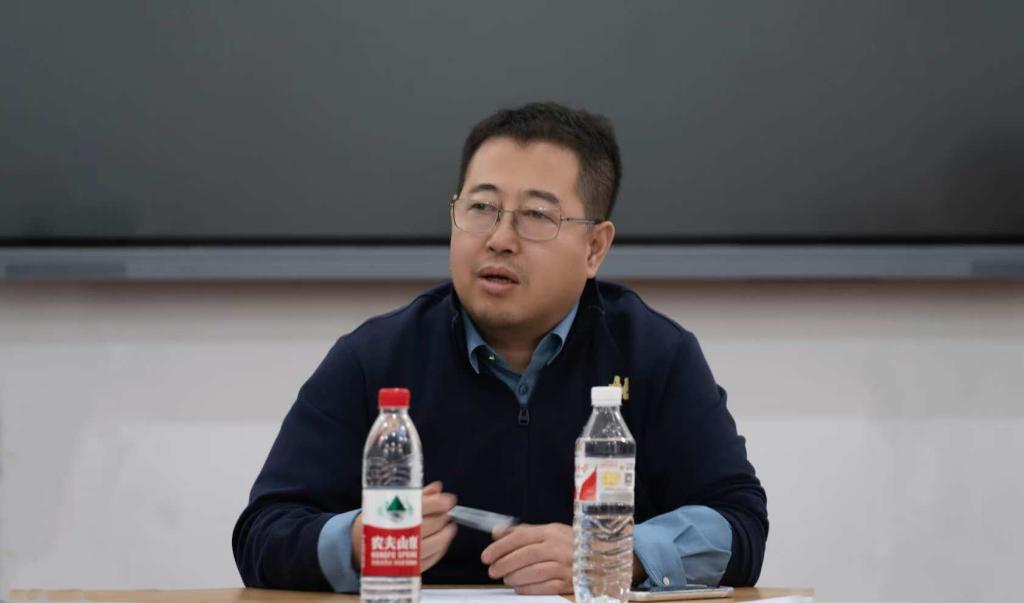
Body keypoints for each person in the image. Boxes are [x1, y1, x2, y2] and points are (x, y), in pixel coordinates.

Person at [232, 102, 768, 595]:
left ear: (594, 247)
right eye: (482, 207)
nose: (499, 238)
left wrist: (615, 553)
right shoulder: (375, 358)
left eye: (536, 216)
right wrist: (356, 542)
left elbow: (739, 523)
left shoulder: (655, 355)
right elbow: (262, 532)